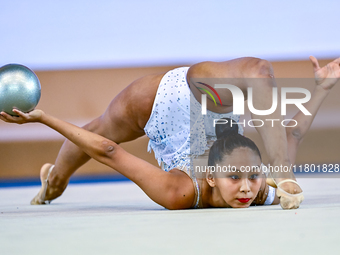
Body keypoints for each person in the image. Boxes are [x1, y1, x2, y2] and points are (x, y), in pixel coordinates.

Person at [1, 56, 339, 209]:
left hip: (158, 102)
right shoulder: (259, 191)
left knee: (95, 130)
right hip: (205, 94)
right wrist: (322, 89)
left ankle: (52, 183)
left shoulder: (180, 192)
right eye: (244, 176)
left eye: (245, 178)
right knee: (259, 71)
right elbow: (290, 135)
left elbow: (106, 149)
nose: (247, 187)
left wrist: (44, 118)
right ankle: (54, 182)